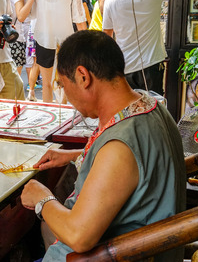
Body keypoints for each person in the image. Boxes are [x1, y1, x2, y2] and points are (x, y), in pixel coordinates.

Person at [21, 30, 186, 261]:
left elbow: (79, 236)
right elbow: (134, 165)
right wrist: (75, 155)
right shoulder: (152, 106)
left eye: (62, 84)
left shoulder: (119, 148)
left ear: (82, 77)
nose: (65, 95)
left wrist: (42, 199)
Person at [103, 0, 188, 95]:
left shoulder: (111, 0)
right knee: (153, 111)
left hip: (124, 68)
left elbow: (106, 37)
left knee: (129, 112)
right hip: (151, 66)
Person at [31, 0, 86, 103]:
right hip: (66, 42)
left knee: (47, 85)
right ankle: (64, 116)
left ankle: (50, 118)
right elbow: (79, 21)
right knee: (67, 83)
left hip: (43, 39)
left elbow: (32, 14)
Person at [0, 0, 37, 80]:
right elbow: (21, 15)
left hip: (5, 38)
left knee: (8, 78)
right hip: (16, 38)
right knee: (15, 79)